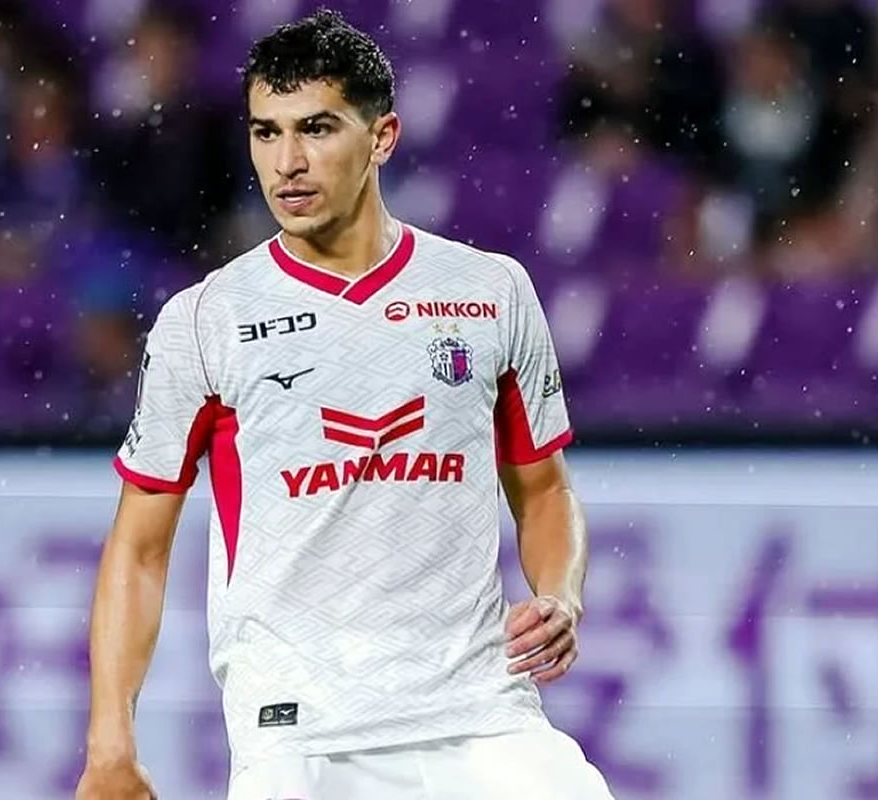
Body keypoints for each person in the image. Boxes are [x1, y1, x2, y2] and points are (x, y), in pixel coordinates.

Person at [75, 9, 614, 799]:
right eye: (266, 133)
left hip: (478, 712)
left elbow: (544, 490)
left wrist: (560, 595)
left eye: (317, 129)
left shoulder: (490, 292)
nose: (287, 162)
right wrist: (109, 745)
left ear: (383, 137)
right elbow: (139, 548)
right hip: (300, 735)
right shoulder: (205, 320)